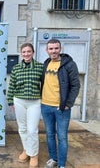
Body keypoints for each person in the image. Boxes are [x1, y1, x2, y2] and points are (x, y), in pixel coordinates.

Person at [41, 39, 80, 168]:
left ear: (60, 49)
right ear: (47, 50)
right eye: (51, 49)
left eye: (56, 48)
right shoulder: (46, 63)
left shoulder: (69, 64)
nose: (53, 51)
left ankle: (62, 165)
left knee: (62, 137)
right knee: (50, 134)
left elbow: (75, 85)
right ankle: (53, 159)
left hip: (61, 107)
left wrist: (68, 103)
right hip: (45, 105)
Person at [7, 43, 43, 168]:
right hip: (19, 101)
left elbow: (44, 84)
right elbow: (11, 85)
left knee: (32, 130)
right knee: (22, 128)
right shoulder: (16, 68)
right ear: (21, 53)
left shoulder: (40, 67)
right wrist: (10, 101)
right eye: (24, 52)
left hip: (35, 102)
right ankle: (26, 150)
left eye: (29, 51)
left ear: (33, 52)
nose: (26, 54)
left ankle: (34, 155)